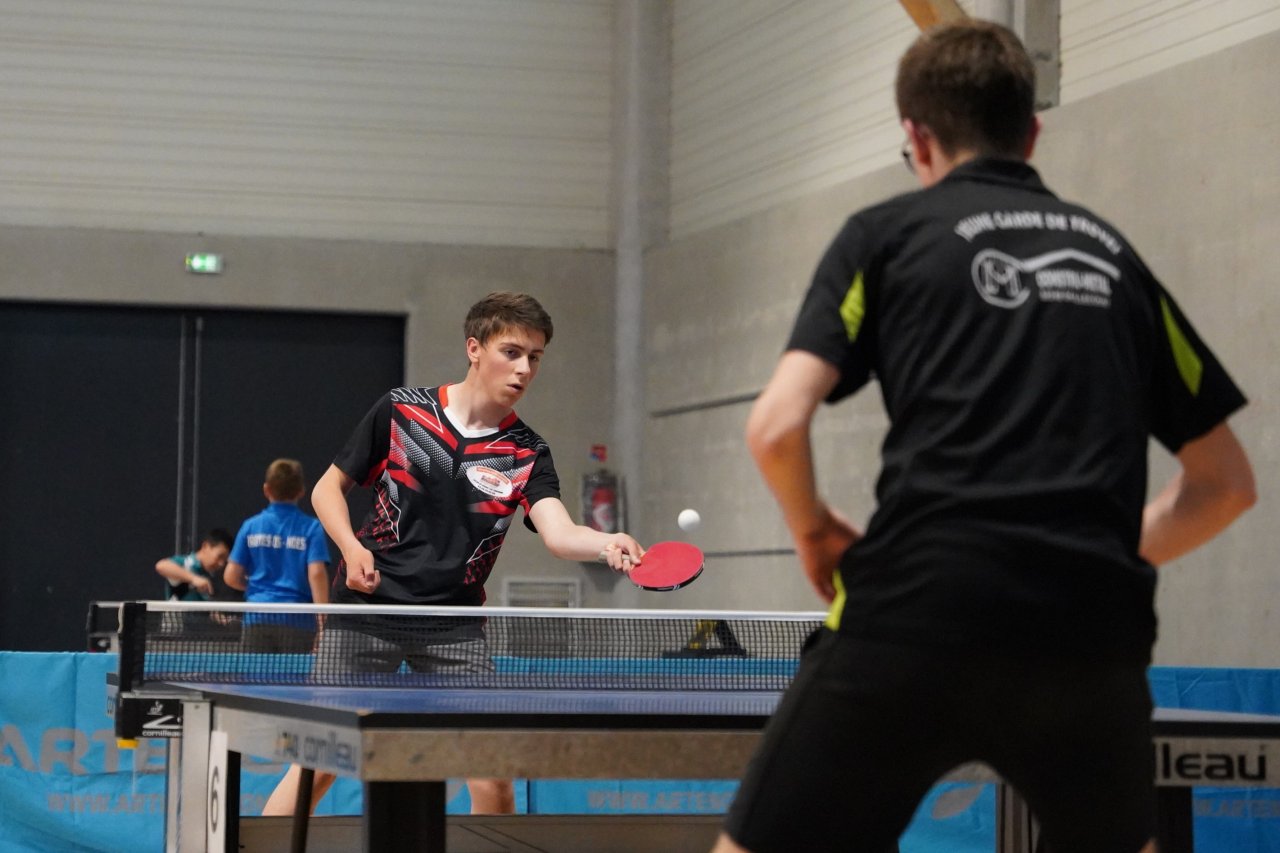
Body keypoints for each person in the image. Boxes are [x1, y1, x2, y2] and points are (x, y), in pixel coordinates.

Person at [717, 20, 1255, 853]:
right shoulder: (1116, 260)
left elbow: (776, 425)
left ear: (916, 138)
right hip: (1085, 638)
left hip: (911, 614)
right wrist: (1092, 551)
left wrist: (814, 528)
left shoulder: (884, 236)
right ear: (1031, 133)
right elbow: (1227, 485)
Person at [263, 290, 645, 817]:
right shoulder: (401, 411)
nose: (525, 369)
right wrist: (350, 547)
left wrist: (606, 543)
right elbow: (328, 489)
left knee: (494, 781)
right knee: (317, 763)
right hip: (366, 611)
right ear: (474, 348)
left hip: (452, 625)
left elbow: (558, 533)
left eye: (535, 357)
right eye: (512, 352)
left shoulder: (526, 451)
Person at [224, 458, 330, 652]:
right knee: (294, 673)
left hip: (257, 616)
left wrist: (256, 589)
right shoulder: (311, 528)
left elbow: (230, 576)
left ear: (267, 490)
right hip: (298, 620)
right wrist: (323, 625)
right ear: (301, 491)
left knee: (255, 673)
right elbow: (316, 574)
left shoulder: (251, 526)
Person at [155, 528, 233, 603]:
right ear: (205, 546)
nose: (221, 563)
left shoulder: (213, 577)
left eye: (225, 560)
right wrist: (193, 578)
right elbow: (162, 566)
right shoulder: (187, 563)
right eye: (220, 556)